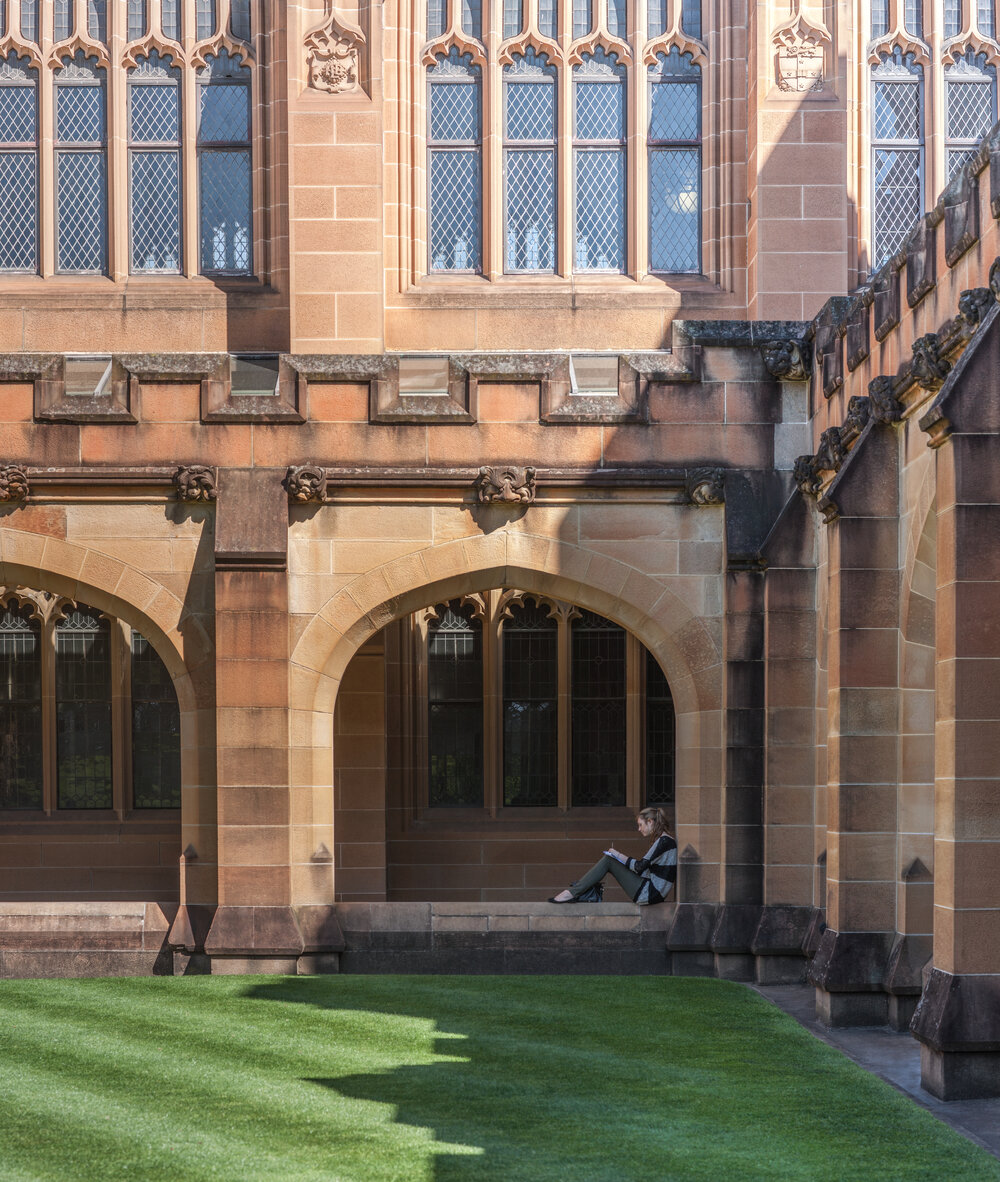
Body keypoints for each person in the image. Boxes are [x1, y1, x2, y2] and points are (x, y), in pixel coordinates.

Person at [548, 807, 677, 905]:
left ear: (650, 822)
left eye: (640, 825)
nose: (639, 829)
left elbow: (639, 867)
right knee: (611, 859)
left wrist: (617, 855)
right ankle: (583, 893)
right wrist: (619, 858)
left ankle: (572, 893)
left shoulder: (664, 841)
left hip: (649, 893)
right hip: (652, 891)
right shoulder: (664, 841)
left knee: (609, 860)